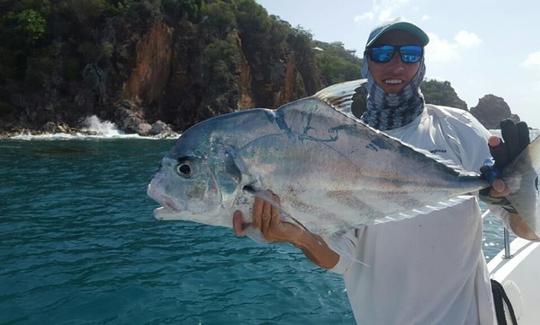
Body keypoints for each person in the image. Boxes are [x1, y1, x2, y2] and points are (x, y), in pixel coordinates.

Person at [232, 20, 536, 324]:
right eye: (383, 53)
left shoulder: (458, 128)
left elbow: (526, 228)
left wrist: (522, 189)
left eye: (410, 54)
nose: (396, 65)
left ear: (421, 63)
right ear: (366, 63)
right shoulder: (334, 148)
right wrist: (297, 237)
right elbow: (342, 258)